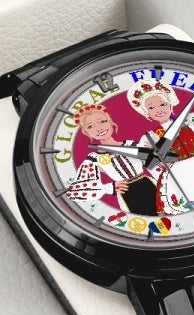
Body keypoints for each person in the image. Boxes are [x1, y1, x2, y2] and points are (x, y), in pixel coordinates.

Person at [62, 101, 172, 236]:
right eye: (90, 126)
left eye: (102, 122)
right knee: (144, 226)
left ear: (110, 122)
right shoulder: (94, 158)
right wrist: (109, 188)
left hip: (149, 185)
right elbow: (75, 191)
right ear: (86, 132)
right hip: (127, 193)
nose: (99, 128)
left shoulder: (131, 144)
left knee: (166, 217)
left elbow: (152, 162)